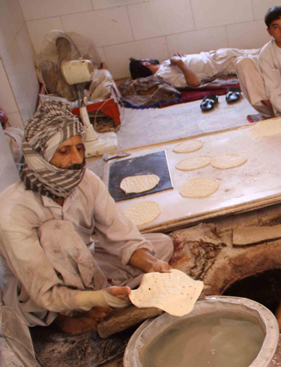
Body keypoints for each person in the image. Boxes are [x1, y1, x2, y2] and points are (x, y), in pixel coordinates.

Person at [0, 101, 174, 334]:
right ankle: (65, 317)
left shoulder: (86, 181)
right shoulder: (13, 210)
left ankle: (97, 296)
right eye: (64, 151)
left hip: (83, 261)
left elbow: (121, 235)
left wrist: (154, 266)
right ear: (40, 156)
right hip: (37, 286)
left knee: (162, 244)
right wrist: (100, 297)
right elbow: (43, 290)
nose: (77, 159)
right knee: (56, 232)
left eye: (79, 148)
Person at [129, 36, 281, 90]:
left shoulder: (166, 65)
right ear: (145, 65)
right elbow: (193, 83)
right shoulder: (162, 75)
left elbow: (189, 67)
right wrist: (181, 64)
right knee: (274, 61)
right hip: (226, 64)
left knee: (271, 50)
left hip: (223, 54)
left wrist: (182, 60)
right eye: (144, 60)